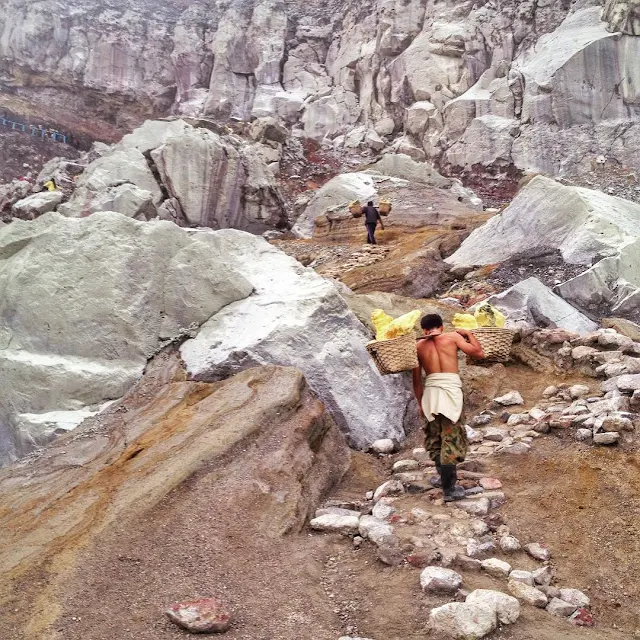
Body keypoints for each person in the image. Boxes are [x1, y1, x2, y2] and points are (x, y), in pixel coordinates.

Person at [412, 314, 485, 502]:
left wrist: (420, 404)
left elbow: (417, 381)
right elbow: (479, 353)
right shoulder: (453, 337)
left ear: (424, 330)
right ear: (441, 327)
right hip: (450, 392)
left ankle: (443, 478)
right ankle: (449, 489)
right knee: (451, 437)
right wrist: (468, 333)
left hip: (431, 393)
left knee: (435, 436)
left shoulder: (417, 346)